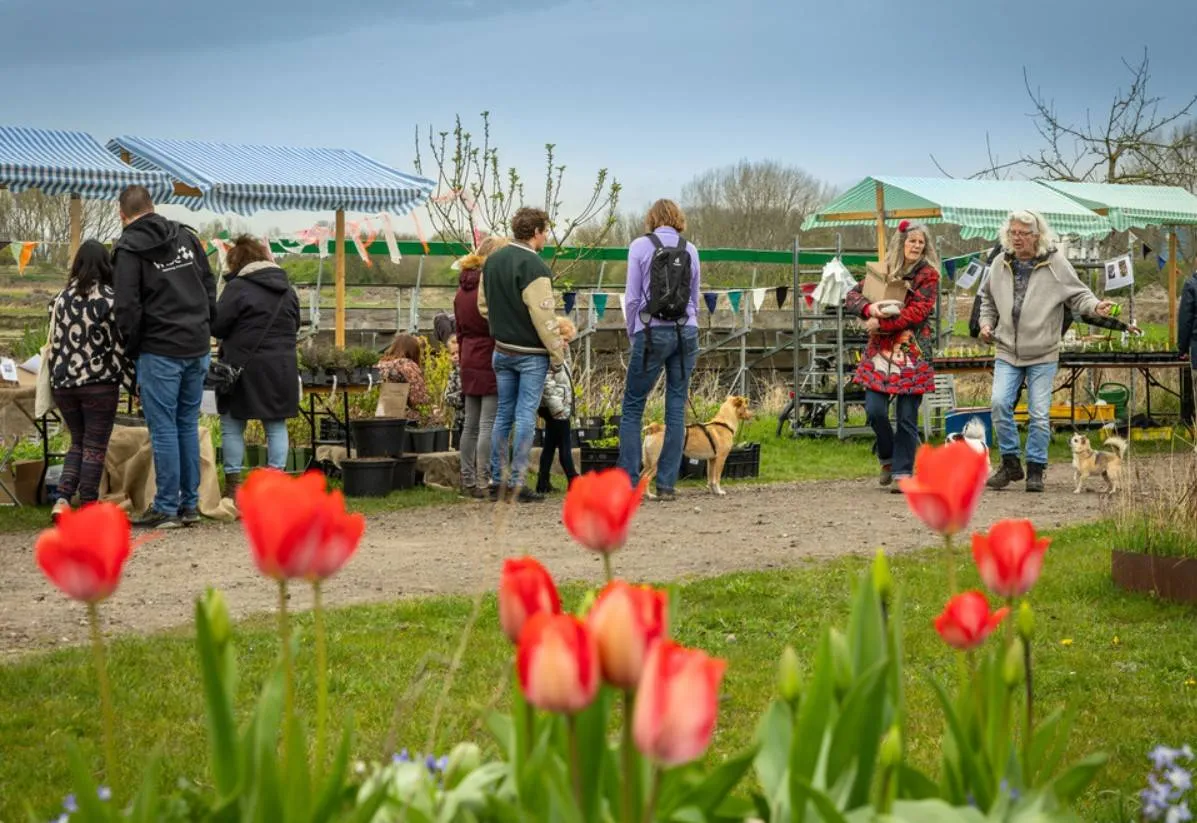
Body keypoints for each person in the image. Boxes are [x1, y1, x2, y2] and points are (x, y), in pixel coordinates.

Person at [979, 210, 1114, 492]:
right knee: (1000, 404)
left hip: (1042, 351)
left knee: (1039, 414)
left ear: (1037, 235)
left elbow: (1078, 294)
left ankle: (1036, 469)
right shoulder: (999, 262)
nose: (1017, 238)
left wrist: (1095, 306)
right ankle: (1011, 463)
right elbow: (987, 299)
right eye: (1013, 232)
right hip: (1006, 349)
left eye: (1024, 233)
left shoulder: (1055, 263)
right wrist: (986, 323)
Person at [113, 185, 216, 528]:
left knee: (163, 429)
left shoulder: (128, 249)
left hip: (159, 348)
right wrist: (205, 324)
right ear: (153, 206)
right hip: (197, 344)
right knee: (186, 424)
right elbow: (208, 283)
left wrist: (133, 346)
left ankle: (167, 505)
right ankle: (189, 504)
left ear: (122, 214)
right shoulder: (186, 238)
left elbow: (126, 306)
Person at [844, 221, 940, 491]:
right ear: (902, 243)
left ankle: (903, 473)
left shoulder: (929, 275)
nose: (916, 246)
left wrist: (881, 324)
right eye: (912, 241)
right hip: (880, 353)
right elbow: (851, 296)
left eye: (921, 242)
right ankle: (887, 457)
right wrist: (869, 309)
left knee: (907, 417)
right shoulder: (884, 271)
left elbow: (917, 312)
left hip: (913, 351)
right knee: (875, 411)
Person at [616, 199, 701, 501]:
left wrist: (633, 332)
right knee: (675, 407)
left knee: (633, 407)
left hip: (651, 332)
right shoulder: (690, 249)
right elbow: (694, 297)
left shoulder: (639, 247)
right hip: (685, 330)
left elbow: (632, 297)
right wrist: (691, 328)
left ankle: (627, 484)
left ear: (651, 219)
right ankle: (667, 484)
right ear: (678, 218)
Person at [481, 207, 565, 503]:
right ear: (537, 232)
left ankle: (495, 479)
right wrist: (557, 353)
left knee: (503, 414)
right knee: (526, 415)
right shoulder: (536, 268)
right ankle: (517, 481)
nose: (547, 236)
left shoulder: (492, 261)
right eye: (546, 230)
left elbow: (483, 305)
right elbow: (544, 318)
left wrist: (504, 323)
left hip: (501, 350)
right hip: (530, 353)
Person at [46, 240, 132, 522]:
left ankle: (61, 499)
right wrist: (133, 383)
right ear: (106, 264)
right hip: (99, 384)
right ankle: (88, 505)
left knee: (77, 442)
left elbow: (54, 343)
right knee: (94, 446)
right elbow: (120, 347)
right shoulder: (110, 299)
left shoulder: (59, 299)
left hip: (64, 384)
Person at [209, 236, 300, 500]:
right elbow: (295, 325)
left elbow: (217, 326)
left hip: (242, 368)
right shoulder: (287, 289)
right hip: (281, 367)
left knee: (232, 424)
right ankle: (275, 487)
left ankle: (234, 488)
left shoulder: (238, 287)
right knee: (275, 425)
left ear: (238, 261)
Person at [455, 236, 505, 498]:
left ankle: (467, 480)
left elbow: (460, 330)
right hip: (489, 356)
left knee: (470, 425)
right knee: (487, 424)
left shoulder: (461, 289)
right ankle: (484, 480)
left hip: (468, 358)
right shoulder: (489, 288)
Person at [536, 316, 579, 494]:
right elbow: (547, 382)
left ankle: (542, 481)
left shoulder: (559, 353)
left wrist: (565, 349)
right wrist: (558, 408)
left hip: (556, 403)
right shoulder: (549, 355)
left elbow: (565, 368)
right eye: (565, 339)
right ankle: (573, 478)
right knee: (565, 444)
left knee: (550, 444)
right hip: (555, 405)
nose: (566, 344)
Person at [377, 333, 429, 422]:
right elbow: (419, 397)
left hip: (379, 414)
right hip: (402, 418)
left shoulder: (381, 364)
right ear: (413, 351)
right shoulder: (407, 365)